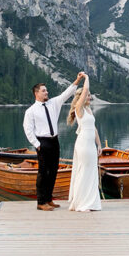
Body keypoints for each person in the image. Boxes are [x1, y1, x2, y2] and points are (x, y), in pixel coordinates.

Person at [23, 73, 85, 211]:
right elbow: (28, 130)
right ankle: (41, 202)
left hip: (54, 141)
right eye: (44, 90)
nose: (47, 92)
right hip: (42, 142)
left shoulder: (53, 103)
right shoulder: (31, 111)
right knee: (43, 172)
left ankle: (49, 199)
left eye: (46, 90)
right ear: (36, 93)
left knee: (54, 171)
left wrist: (78, 80)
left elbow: (67, 93)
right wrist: (37, 145)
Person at [67, 72, 102, 212]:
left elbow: (94, 129)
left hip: (91, 144)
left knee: (91, 171)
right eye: (87, 95)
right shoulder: (79, 108)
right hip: (83, 144)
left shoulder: (88, 110)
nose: (90, 97)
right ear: (81, 97)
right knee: (83, 171)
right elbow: (85, 89)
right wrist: (86, 78)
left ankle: (91, 202)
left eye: (89, 95)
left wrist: (99, 145)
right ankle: (81, 203)